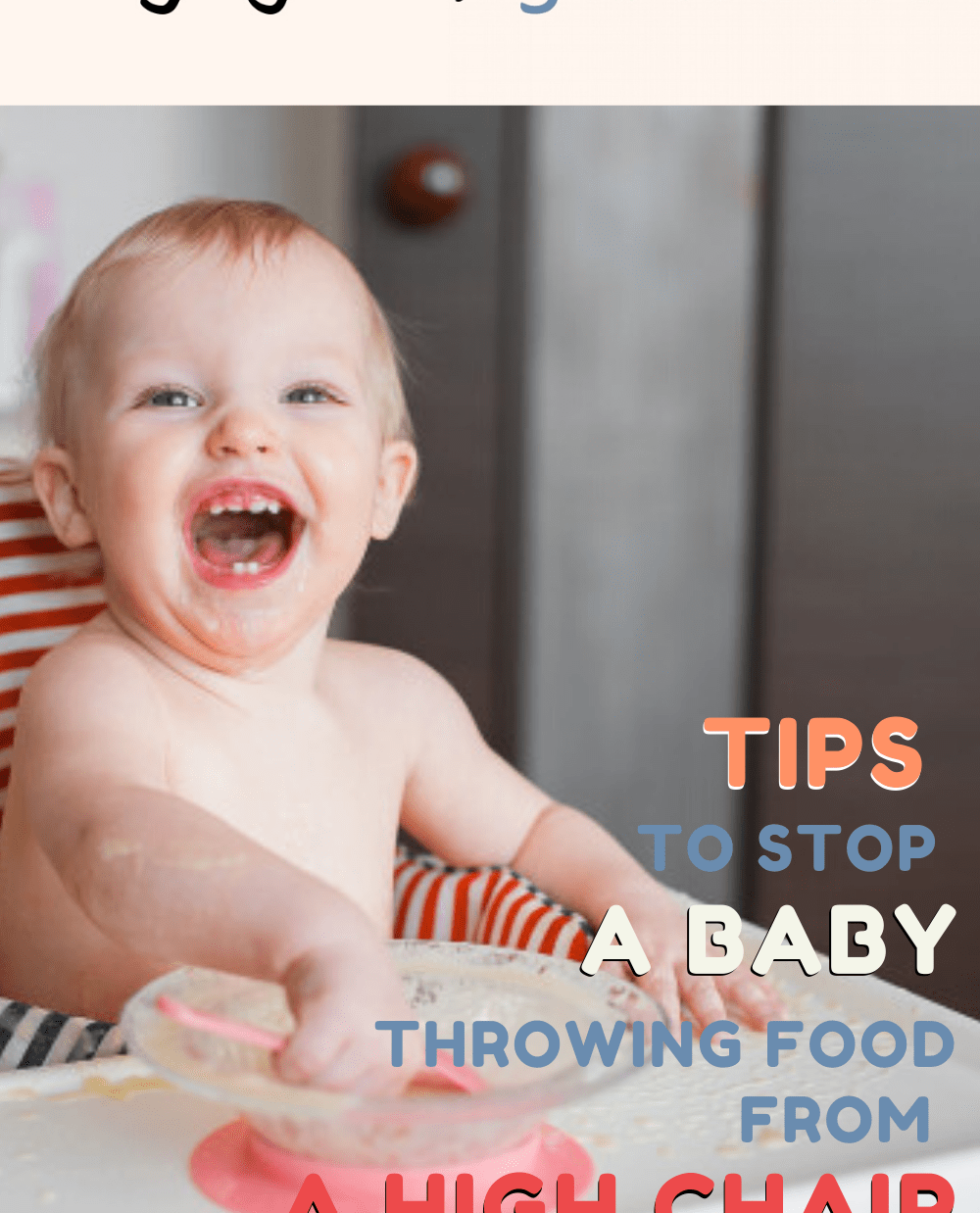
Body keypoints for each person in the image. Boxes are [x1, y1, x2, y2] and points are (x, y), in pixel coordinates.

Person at [0, 199, 779, 1091]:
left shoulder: (396, 702)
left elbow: (533, 832)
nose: (244, 430)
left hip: (317, 1079)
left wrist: (639, 903)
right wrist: (320, 941)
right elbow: (113, 845)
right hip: (84, 1093)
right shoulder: (93, 687)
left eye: (307, 394)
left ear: (383, 486)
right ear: (70, 498)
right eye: (171, 397)